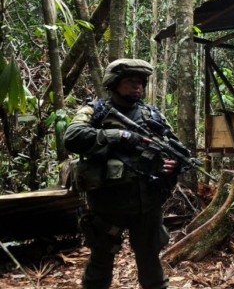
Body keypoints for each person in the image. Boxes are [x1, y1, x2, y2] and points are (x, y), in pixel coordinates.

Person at [65, 59, 179, 289]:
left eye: (140, 82)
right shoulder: (95, 111)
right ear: (114, 83)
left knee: (150, 260)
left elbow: (174, 148)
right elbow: (72, 136)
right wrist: (119, 135)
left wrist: (173, 166)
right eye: (130, 81)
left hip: (147, 203)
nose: (137, 86)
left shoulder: (152, 115)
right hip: (108, 204)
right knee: (101, 259)